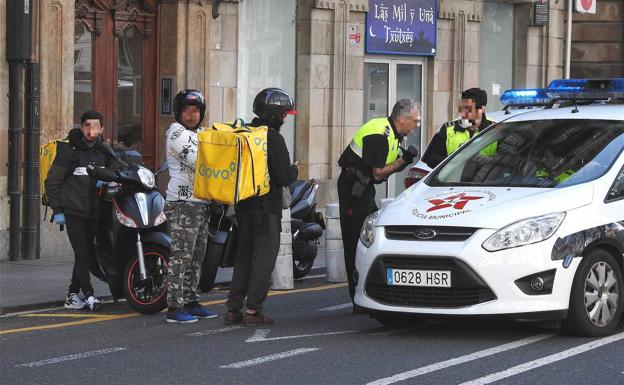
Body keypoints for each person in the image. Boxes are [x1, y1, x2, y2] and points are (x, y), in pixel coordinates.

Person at [224, 88, 298, 326]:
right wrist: (294, 169)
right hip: (266, 209)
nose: (285, 118)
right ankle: (254, 311)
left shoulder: (245, 132)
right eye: (284, 114)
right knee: (263, 260)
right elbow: (284, 176)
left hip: (244, 206)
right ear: (275, 114)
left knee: (243, 257)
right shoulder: (273, 138)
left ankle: (233, 309)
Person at [337, 99, 420, 306]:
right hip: (353, 190)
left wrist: (402, 160)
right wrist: (403, 161)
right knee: (356, 241)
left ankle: (371, 290)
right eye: (414, 121)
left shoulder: (393, 135)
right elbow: (378, 173)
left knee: (370, 237)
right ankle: (357, 296)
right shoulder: (379, 133)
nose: (416, 126)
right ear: (402, 118)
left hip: (363, 188)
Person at [46, 110, 123, 311]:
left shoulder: (103, 150)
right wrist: (57, 209)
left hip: (94, 212)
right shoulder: (69, 151)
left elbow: (119, 170)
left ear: (102, 129)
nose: (91, 130)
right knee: (82, 253)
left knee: (86, 254)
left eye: (95, 126)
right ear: (81, 127)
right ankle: (89, 295)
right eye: (87, 125)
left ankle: (72, 295)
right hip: (73, 212)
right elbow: (52, 181)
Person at [164, 89, 218, 323]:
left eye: (195, 110)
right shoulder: (176, 133)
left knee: (197, 257)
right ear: (178, 112)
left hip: (201, 202)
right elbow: (201, 162)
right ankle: (174, 306)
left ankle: (191, 301)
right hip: (182, 203)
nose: (191, 115)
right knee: (181, 256)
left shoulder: (202, 133)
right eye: (186, 110)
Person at [421, 88, 495, 169]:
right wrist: (454, 158)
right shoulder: (448, 129)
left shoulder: (494, 129)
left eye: (469, 110)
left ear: (482, 109)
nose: (463, 114)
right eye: (462, 109)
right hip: (451, 180)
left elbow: (505, 161)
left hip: (483, 180)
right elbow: (431, 159)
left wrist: (486, 160)